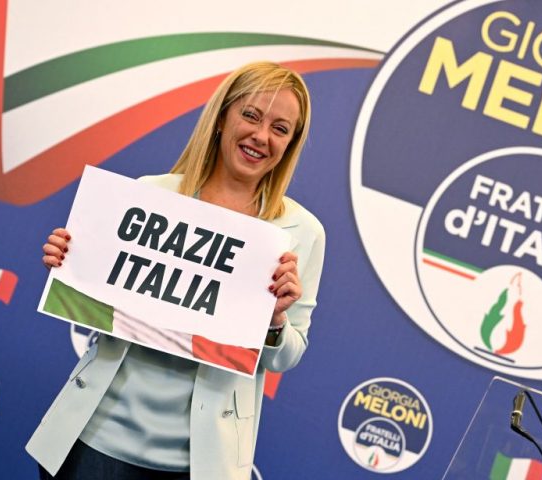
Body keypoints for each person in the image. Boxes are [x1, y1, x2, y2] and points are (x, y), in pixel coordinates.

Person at [26, 62, 326, 480]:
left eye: (280, 128)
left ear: (291, 143)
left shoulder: (301, 233)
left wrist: (274, 320)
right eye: (251, 115)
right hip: (95, 443)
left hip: (202, 463)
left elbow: (287, 355)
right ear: (223, 117)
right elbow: (94, 298)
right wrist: (70, 263)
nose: (261, 136)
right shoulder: (149, 195)